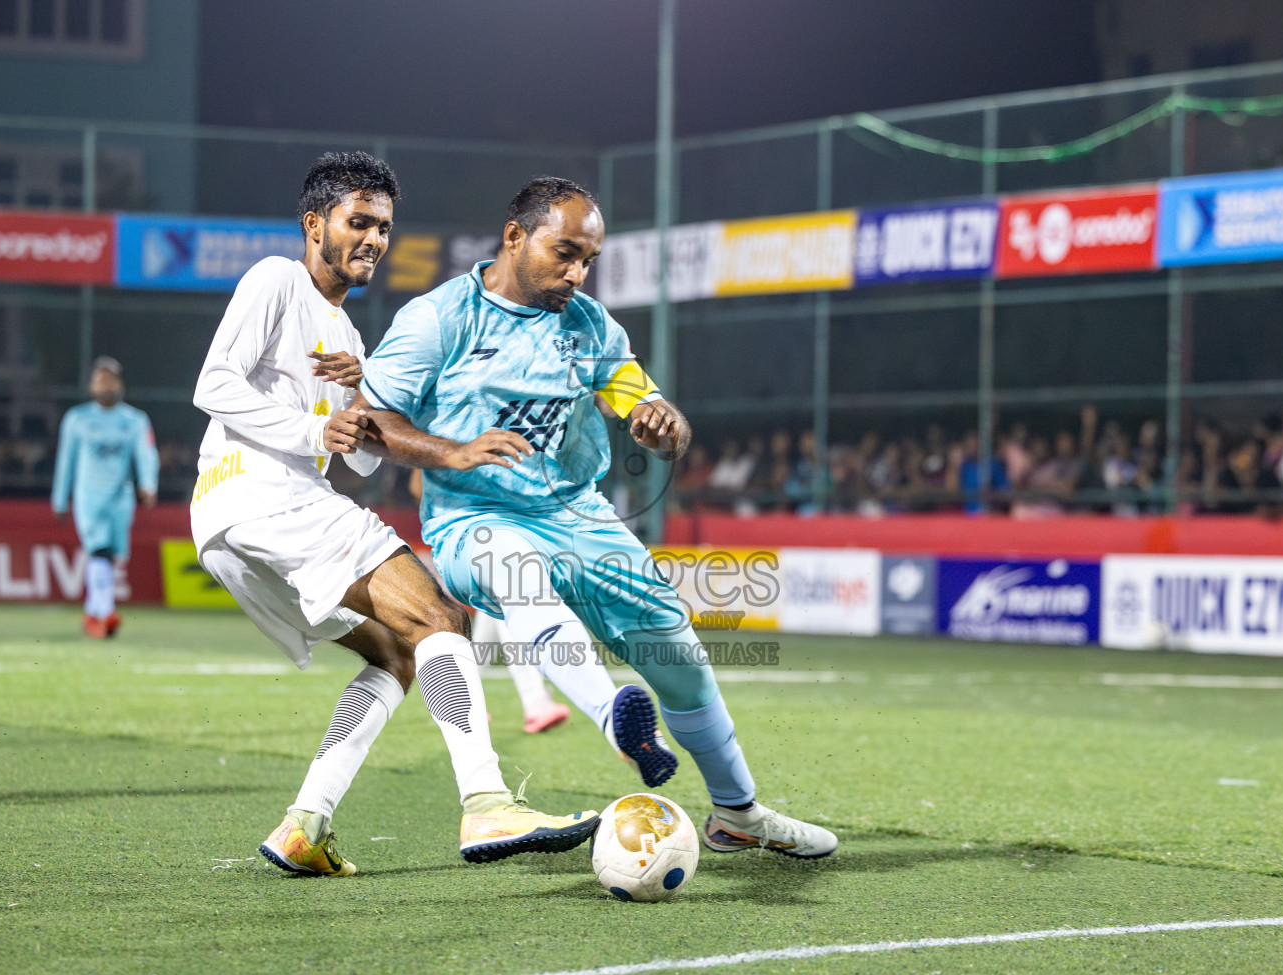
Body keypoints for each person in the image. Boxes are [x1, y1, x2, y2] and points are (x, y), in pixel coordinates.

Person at [345, 176, 837, 859]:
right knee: (518, 577)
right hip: (472, 518)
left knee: (681, 661)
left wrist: (660, 424)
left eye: (588, 260)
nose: (576, 273)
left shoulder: (591, 326)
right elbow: (368, 421)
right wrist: (450, 452)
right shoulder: (440, 320)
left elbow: (640, 404)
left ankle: (737, 814)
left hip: (580, 515)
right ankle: (615, 719)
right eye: (565, 252)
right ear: (515, 235)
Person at [190, 152, 595, 878]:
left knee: (398, 654)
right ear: (314, 224)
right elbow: (215, 382)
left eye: (383, 226)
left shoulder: (348, 341)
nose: (374, 238)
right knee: (443, 618)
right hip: (261, 494)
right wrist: (317, 431)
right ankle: (487, 801)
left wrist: (395, 419)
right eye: (359, 222)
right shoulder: (276, 279)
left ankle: (304, 825)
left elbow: (368, 456)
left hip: (237, 522)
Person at [408, 467, 571, 733]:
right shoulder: (446, 443)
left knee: (494, 617)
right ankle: (536, 702)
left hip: (482, 538)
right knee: (508, 610)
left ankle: (460, 699)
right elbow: (418, 490)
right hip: (468, 541)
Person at [51, 357, 159, 638]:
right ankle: (106, 612)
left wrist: (149, 484)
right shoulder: (77, 419)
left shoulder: (134, 419)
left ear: (120, 384)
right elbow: (66, 461)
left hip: (120, 498)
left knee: (110, 557)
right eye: (100, 379)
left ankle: (92, 615)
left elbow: (146, 453)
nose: (106, 385)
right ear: (91, 385)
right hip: (89, 497)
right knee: (99, 551)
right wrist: (60, 500)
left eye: (111, 379)